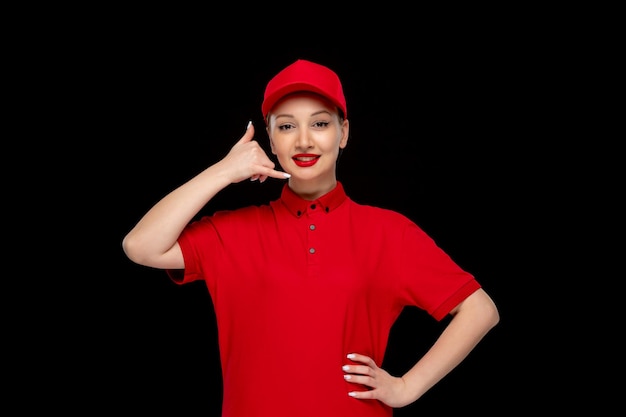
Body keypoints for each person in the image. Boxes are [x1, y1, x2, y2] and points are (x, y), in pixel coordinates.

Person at [122, 59, 500, 416]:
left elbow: (480, 309)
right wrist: (222, 172)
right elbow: (140, 246)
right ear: (269, 139)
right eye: (286, 126)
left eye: (319, 124)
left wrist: (406, 387)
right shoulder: (231, 231)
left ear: (344, 132)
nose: (303, 141)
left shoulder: (390, 233)